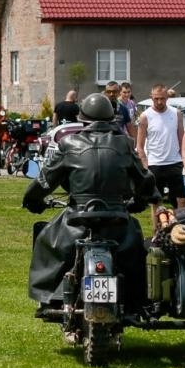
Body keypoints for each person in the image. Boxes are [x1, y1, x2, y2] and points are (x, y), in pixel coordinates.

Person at [22, 92, 157, 309]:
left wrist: (32, 199)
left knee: (46, 242)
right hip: (116, 219)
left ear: (82, 118)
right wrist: (143, 199)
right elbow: (143, 178)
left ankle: (48, 298)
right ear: (112, 117)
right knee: (138, 253)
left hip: (77, 218)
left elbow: (46, 179)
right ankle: (136, 301)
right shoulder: (125, 143)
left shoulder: (68, 144)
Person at [134, 83, 185, 218]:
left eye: (162, 98)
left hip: (175, 162)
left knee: (181, 199)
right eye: (156, 98)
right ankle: (157, 232)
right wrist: (145, 166)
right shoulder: (145, 116)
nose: (159, 101)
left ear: (167, 97)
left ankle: (180, 228)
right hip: (155, 164)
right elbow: (140, 145)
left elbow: (182, 139)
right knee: (156, 202)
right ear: (151, 97)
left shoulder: (176, 114)